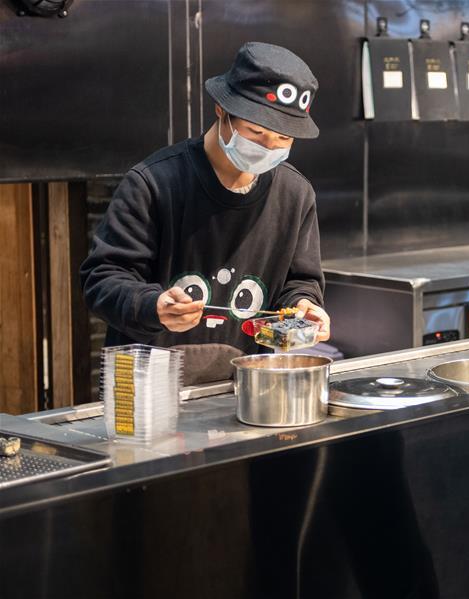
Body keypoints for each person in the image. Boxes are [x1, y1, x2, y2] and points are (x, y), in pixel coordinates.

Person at [81, 42, 330, 367]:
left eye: (283, 139)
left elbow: (300, 281)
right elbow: (102, 277)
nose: (269, 148)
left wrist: (303, 306)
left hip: (245, 384)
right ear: (221, 111)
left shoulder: (295, 194)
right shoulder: (155, 182)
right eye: (255, 132)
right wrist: (153, 305)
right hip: (150, 382)